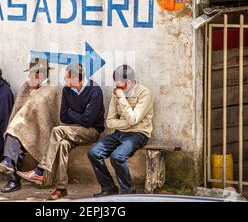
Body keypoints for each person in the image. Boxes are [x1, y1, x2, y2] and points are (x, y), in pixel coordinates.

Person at [17, 63, 105, 200]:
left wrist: (73, 113)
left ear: (76, 79)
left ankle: (40, 170)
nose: (65, 80)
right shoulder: (67, 90)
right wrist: (79, 115)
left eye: (67, 78)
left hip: (91, 131)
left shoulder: (95, 90)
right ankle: (61, 188)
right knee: (63, 144)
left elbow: (89, 121)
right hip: (71, 130)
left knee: (58, 131)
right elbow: (63, 116)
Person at [0, 57, 62, 193]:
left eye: (32, 74)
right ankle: (13, 179)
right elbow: (17, 108)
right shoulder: (26, 86)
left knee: (16, 134)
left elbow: (55, 114)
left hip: (42, 129)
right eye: (29, 73)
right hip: (21, 127)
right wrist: (11, 126)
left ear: (41, 74)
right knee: (13, 135)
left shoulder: (53, 89)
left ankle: (8, 163)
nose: (29, 76)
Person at [88, 64, 154, 196]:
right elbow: (110, 121)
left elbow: (134, 119)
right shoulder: (116, 92)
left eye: (120, 85)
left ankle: (128, 192)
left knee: (117, 157)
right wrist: (128, 123)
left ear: (129, 83)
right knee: (94, 153)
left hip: (139, 134)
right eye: (116, 85)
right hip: (119, 133)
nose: (117, 88)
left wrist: (122, 98)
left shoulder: (145, 93)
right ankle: (109, 188)